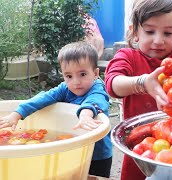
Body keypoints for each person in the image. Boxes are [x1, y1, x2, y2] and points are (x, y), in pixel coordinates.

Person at [104, 0, 172, 179]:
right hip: (139, 146)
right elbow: (113, 82)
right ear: (134, 32)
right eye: (149, 31)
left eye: (168, 32)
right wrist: (142, 83)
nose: (158, 40)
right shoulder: (127, 56)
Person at [0, 41, 113, 179]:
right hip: (72, 152)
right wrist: (17, 113)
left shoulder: (98, 89)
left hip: (97, 154)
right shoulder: (65, 88)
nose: (76, 82)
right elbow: (43, 97)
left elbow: (95, 101)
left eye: (82, 74)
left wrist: (85, 114)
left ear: (95, 73)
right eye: (69, 76)